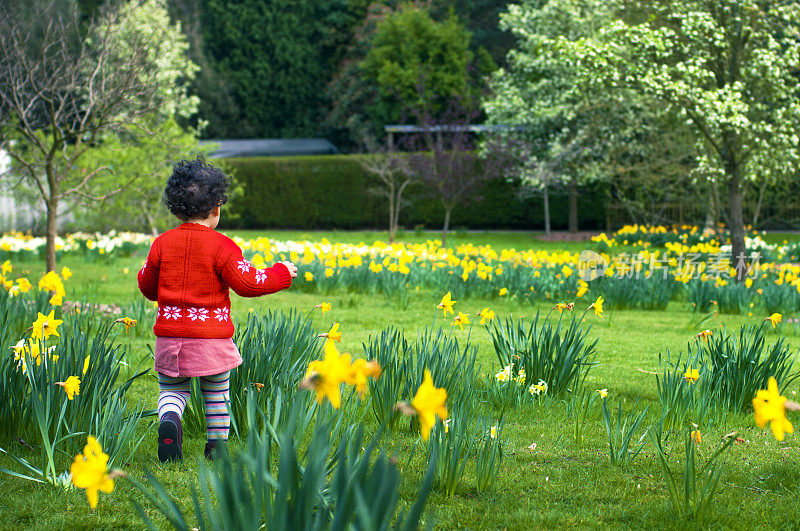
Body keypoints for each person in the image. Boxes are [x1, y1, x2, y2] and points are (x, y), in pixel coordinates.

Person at [137, 156, 297, 462]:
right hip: (211, 339)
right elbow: (249, 282)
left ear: (176, 208)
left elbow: (147, 286)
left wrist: (144, 274)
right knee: (217, 393)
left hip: (170, 338)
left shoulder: (161, 243)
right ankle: (216, 447)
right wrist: (281, 273)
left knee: (172, 390)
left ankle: (170, 419)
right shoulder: (222, 246)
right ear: (216, 209)